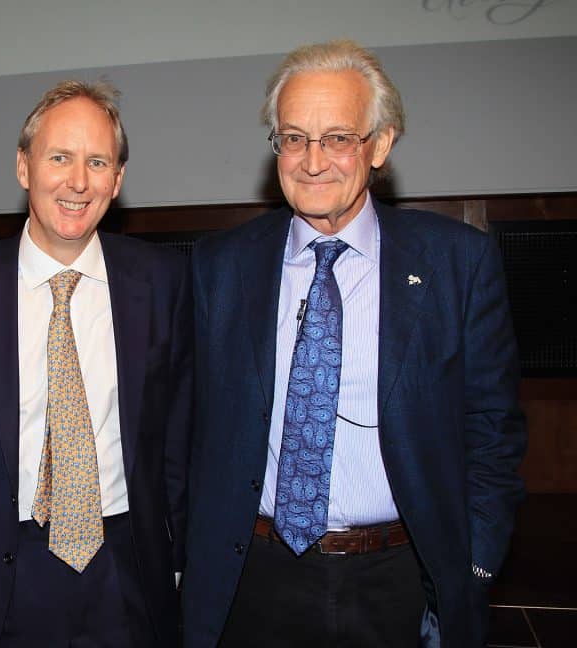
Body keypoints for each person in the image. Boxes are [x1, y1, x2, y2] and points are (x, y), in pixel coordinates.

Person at [183, 40, 526, 647]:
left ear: (381, 145)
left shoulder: (455, 263)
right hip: (251, 577)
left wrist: (474, 565)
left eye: (338, 137)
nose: (313, 160)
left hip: (400, 578)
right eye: (293, 137)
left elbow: (492, 426)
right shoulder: (219, 267)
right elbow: (187, 426)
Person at [0, 79, 191, 647]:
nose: (77, 181)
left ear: (117, 180)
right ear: (24, 167)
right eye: (59, 157)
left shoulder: (162, 281)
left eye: (97, 162)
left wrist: (177, 555)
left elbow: (178, 438)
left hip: (127, 564)